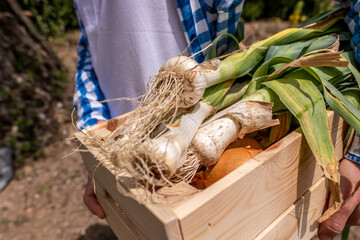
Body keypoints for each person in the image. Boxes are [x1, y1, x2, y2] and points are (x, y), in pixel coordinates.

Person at [73, 0, 360, 238]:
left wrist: (358, 154)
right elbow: (90, 43)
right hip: (135, 130)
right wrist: (96, 140)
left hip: (195, 122)